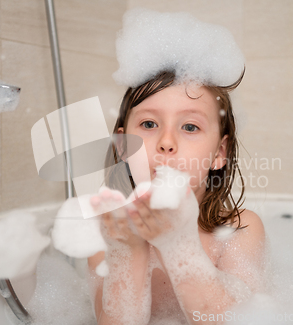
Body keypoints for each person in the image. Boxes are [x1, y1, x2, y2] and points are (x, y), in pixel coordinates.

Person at [87, 69, 266, 325]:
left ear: (219, 153)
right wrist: (128, 251)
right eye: (149, 124)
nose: (166, 142)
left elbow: (244, 319)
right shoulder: (108, 231)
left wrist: (179, 246)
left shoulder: (238, 230)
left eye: (190, 126)